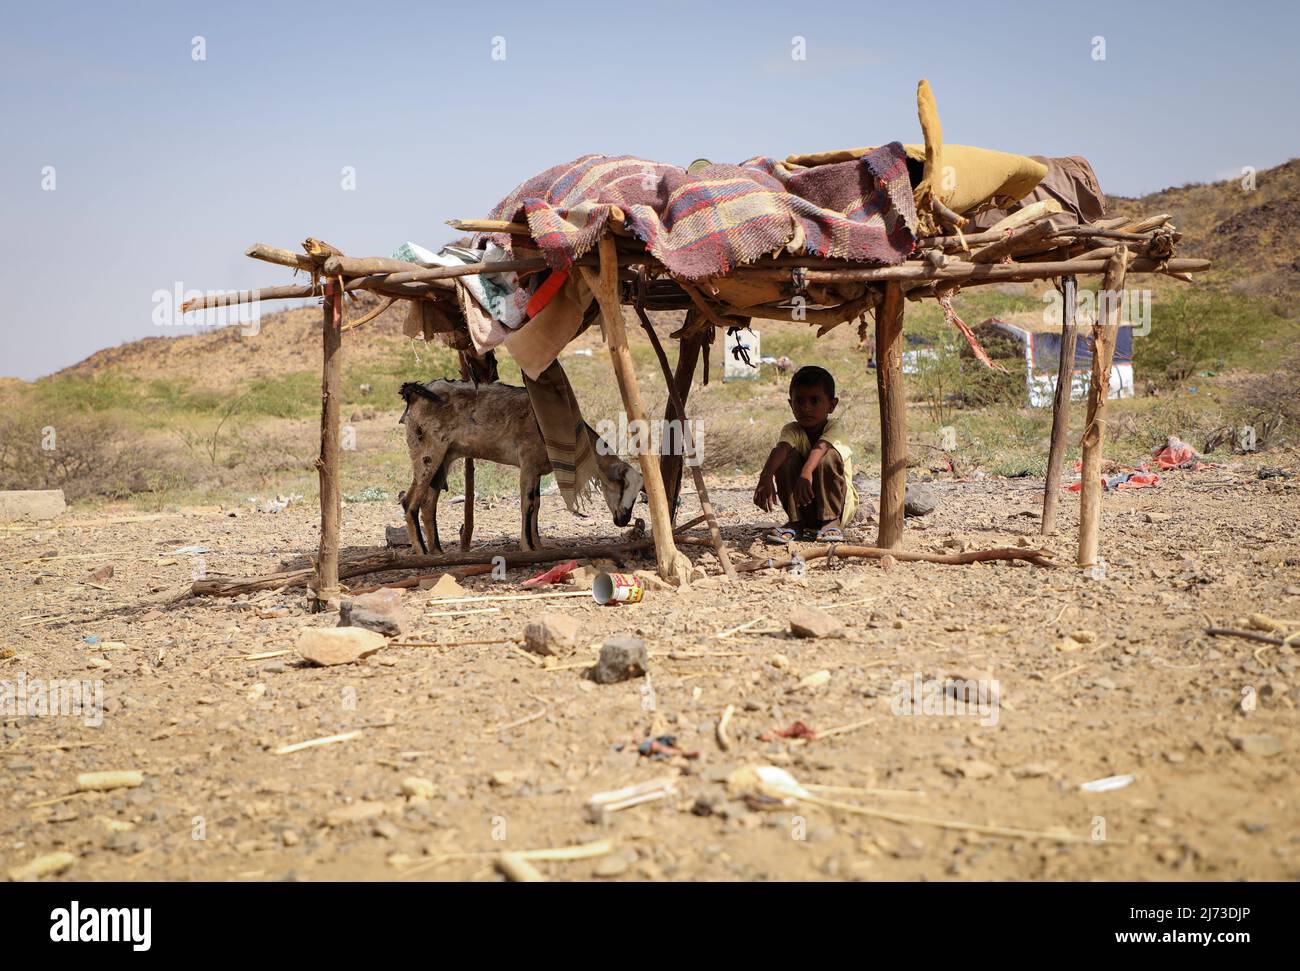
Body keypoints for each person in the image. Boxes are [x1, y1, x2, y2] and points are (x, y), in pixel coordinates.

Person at [753, 365, 856, 543]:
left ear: (832, 405)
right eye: (799, 401)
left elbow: (821, 447)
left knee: (828, 456)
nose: (806, 408)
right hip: (806, 506)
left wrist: (806, 472)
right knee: (784, 459)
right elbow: (781, 449)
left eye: (814, 401)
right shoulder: (792, 430)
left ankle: (830, 521)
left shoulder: (835, 427)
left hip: (837, 508)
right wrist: (766, 476)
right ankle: (796, 522)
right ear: (790, 403)